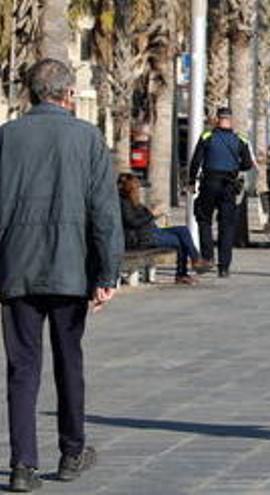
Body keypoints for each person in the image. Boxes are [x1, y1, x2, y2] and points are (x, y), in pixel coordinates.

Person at [0, 59, 124, 492]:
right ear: (68, 94)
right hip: (70, 269)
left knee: (22, 367)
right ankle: (72, 452)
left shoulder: (7, 137)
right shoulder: (87, 138)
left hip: (17, 269)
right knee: (69, 360)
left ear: (31, 93)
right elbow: (104, 212)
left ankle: (21, 465)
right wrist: (108, 271)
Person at [188, 107, 255, 278]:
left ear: (217, 119)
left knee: (204, 219)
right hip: (229, 185)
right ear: (230, 120)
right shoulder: (240, 139)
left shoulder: (207, 136)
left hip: (209, 182)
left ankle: (208, 257)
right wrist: (233, 167)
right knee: (227, 225)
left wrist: (191, 181)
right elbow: (247, 164)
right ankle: (224, 267)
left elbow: (196, 161)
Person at [118, 174, 211, 284]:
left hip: (150, 231)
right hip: (142, 237)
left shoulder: (133, 201)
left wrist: (153, 211)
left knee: (183, 230)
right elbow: (132, 222)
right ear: (131, 189)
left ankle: (195, 260)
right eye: (137, 187)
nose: (139, 190)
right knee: (180, 241)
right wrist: (152, 214)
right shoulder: (124, 203)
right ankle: (182, 273)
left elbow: (143, 215)